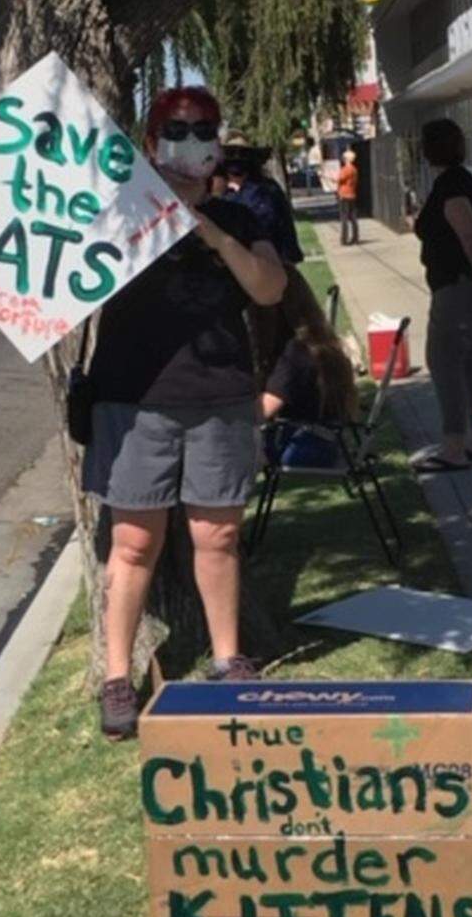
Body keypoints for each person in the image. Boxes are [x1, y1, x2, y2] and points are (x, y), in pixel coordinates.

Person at [83, 86, 287, 740]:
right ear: (150, 143)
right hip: (132, 402)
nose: (190, 140)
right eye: (175, 129)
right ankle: (119, 676)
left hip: (221, 400)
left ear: (219, 143)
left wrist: (210, 233)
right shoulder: (111, 214)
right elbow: (50, 277)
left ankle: (230, 659)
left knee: (217, 538)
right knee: (134, 543)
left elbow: (269, 287)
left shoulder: (243, 216)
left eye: (203, 130)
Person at [413, 118, 472, 473]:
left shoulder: (450, 188)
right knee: (471, 362)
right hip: (471, 292)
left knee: (444, 361)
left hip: (457, 290)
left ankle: (453, 445)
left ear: (428, 149)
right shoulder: (467, 182)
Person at [259, 271, 357, 468]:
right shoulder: (318, 341)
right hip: (329, 440)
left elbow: (263, 409)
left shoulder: (294, 352)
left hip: (304, 445)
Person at [222, 131, 304, 265]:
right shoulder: (213, 191)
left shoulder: (268, 190)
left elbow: (286, 228)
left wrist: (289, 262)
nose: (237, 158)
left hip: (268, 266)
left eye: (243, 153)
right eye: (231, 153)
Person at [337, 146, 360, 246]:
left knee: (344, 218)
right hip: (352, 194)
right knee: (353, 218)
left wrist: (326, 176)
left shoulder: (346, 169)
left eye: (344, 158)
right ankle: (355, 237)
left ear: (346, 159)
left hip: (344, 195)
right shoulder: (354, 169)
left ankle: (344, 239)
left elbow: (339, 179)